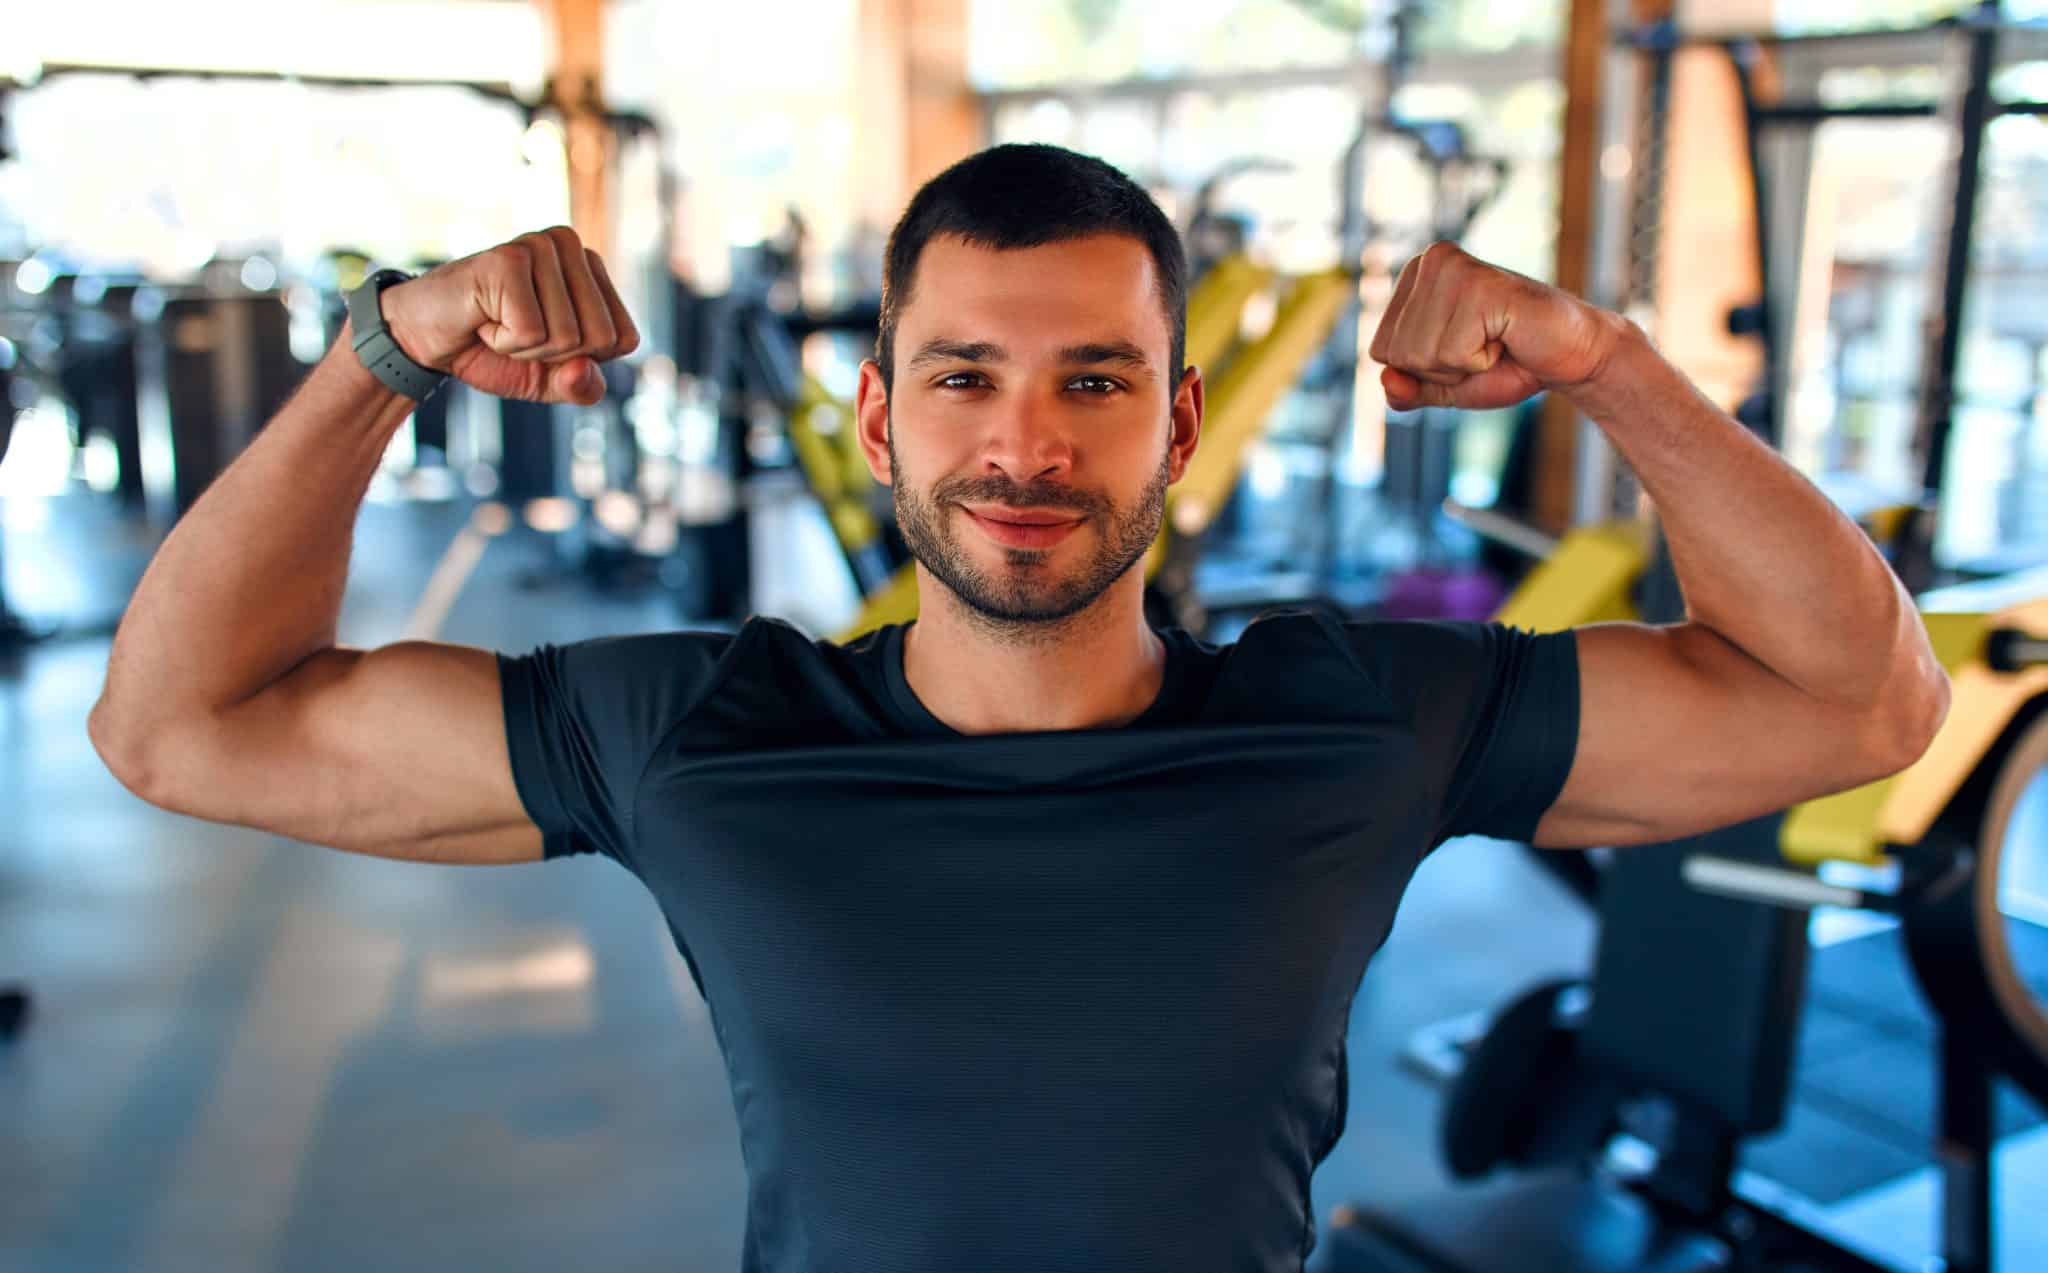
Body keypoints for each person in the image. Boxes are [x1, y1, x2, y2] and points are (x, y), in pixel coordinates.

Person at [88, 144, 1948, 1272]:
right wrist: (384, 350)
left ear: (1182, 421)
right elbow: (181, 726)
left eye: (1095, 379)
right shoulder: (700, 733)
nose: (1027, 443)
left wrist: (1610, 366)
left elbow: (1861, 704)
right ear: (883, 416)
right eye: (964, 374)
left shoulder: (1362, 714)